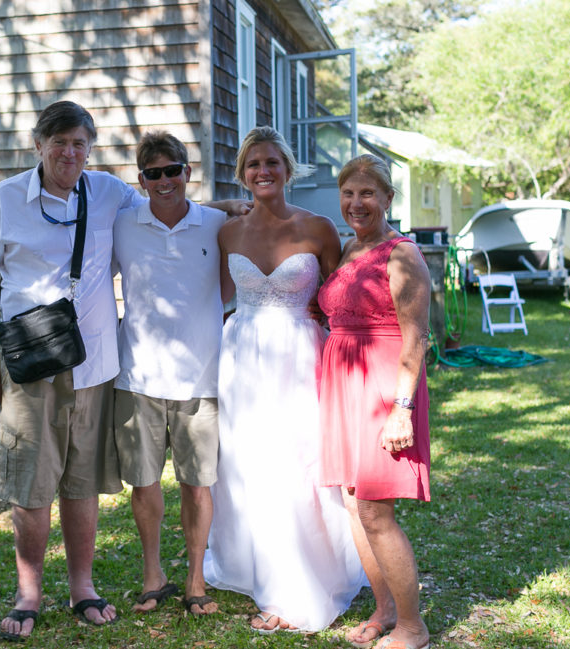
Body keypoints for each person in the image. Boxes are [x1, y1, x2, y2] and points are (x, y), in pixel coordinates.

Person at [0, 101, 144, 640]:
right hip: (30, 366)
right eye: (59, 142)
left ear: (90, 147)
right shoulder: (6, 198)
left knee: (82, 483)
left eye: (79, 143)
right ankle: (29, 591)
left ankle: (82, 586)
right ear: (38, 145)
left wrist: (230, 209)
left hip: (94, 365)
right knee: (31, 485)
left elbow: (162, 212)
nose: (69, 152)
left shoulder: (108, 192)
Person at [203, 126, 367, 634]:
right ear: (242, 175)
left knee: (298, 462)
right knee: (247, 464)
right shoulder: (227, 231)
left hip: (300, 355)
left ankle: (299, 580)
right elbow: (213, 287)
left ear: (288, 168)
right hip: (242, 357)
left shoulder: (318, 228)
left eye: (272, 162)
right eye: (253, 164)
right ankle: (252, 565)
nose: (263, 171)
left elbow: (341, 300)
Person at [317, 154, 432, 649]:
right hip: (343, 387)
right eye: (348, 193)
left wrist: (401, 409)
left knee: (375, 511)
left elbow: (416, 338)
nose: (356, 203)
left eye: (368, 194)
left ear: (388, 198)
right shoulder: (348, 250)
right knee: (352, 502)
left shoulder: (401, 254)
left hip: (384, 390)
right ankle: (385, 608)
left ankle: (414, 625)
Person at [112, 131, 227, 616]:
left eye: (173, 170)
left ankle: (196, 579)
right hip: (136, 375)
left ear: (187, 171)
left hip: (202, 376)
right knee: (143, 483)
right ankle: (153, 574)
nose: (165, 181)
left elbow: (231, 283)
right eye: (154, 173)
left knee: (197, 484)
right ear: (141, 180)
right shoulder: (120, 225)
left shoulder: (217, 223)